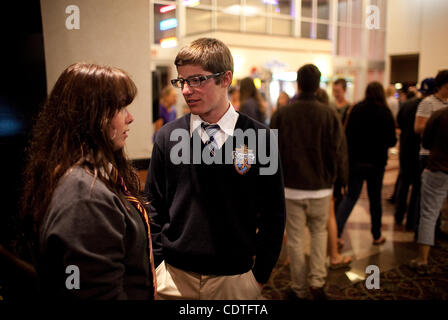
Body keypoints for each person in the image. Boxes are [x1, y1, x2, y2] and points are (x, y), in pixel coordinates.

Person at [144, 38, 286, 300]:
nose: (186, 90)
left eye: (197, 80)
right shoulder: (168, 137)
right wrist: (159, 265)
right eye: (181, 81)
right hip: (173, 279)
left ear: (225, 79)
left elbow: (274, 215)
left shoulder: (261, 139)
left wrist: (259, 277)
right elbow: (153, 207)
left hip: (235, 280)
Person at [21, 63, 156, 300]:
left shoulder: (89, 175)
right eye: (120, 108)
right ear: (93, 117)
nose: (130, 117)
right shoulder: (85, 196)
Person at [271, 64, 348, 300]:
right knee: (319, 235)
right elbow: (339, 150)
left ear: (298, 83)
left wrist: (269, 183)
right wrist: (342, 180)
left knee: (294, 238)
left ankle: (298, 288)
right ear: (318, 85)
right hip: (321, 187)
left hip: (291, 187)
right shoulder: (329, 114)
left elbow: (270, 151)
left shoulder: (283, 113)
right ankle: (317, 282)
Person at [336, 82, 397, 246]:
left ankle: (337, 233)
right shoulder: (385, 112)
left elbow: (346, 136)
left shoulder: (356, 109)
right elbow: (392, 140)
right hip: (377, 164)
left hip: (356, 162)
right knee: (375, 199)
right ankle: (376, 235)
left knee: (350, 197)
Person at [315, 88, 352, 270]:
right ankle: (334, 256)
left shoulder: (308, 118)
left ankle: (293, 259)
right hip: (326, 178)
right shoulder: (331, 119)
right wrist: (342, 181)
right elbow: (340, 153)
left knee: (302, 224)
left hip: (306, 180)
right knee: (328, 219)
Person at [409, 106, 448, 272]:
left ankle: (422, 259)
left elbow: (426, 142)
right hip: (439, 168)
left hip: (437, 168)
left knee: (428, 215)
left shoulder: (439, 115)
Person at [394, 78, 436, 229]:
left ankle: (398, 215)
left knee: (404, 183)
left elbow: (398, 122)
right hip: (418, 150)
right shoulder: (431, 108)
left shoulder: (407, 105)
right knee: (417, 188)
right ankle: (411, 221)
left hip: (406, 149)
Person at [411, 70, 448, 238]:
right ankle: (421, 231)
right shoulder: (428, 103)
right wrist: (437, 126)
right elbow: (418, 127)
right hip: (428, 154)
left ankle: (435, 231)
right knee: (425, 198)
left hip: (444, 156)